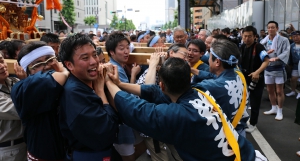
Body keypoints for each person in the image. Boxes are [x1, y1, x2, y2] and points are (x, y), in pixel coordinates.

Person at [105, 57, 267, 161]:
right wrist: (120, 84)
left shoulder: (179, 114)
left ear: (162, 84)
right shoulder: (200, 91)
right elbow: (154, 92)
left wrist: (109, 85)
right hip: (247, 154)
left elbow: (137, 110)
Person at [58, 34, 118, 160]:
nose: (94, 62)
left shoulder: (86, 83)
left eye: (94, 55)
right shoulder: (75, 93)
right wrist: (101, 91)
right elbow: (107, 131)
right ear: (69, 65)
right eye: (85, 58)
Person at [11, 41, 69, 160]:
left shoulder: (65, 81)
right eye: (37, 64)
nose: (46, 65)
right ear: (27, 71)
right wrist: (64, 72)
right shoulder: (21, 89)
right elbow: (47, 81)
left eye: (49, 59)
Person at [193, 39, 248, 137]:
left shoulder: (210, 86)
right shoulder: (237, 73)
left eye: (210, 56)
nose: (208, 59)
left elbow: (182, 93)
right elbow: (214, 76)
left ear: (217, 62)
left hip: (226, 139)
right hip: (239, 131)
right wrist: (194, 70)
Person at [105, 32, 146, 161]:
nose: (126, 51)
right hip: (121, 122)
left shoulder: (120, 67)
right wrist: (133, 75)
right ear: (112, 52)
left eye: (127, 47)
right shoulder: (114, 68)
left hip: (125, 119)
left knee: (142, 146)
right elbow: (126, 97)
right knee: (128, 157)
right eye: (121, 48)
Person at [240, 26, 270, 133]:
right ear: (242, 36)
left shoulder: (259, 47)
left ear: (255, 36)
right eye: (245, 36)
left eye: (250, 36)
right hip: (244, 77)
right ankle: (243, 120)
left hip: (256, 78)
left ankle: (253, 123)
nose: (247, 38)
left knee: (255, 101)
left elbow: (267, 61)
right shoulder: (242, 47)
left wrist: (257, 72)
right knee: (242, 101)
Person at [260, 21, 290, 121]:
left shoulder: (284, 39)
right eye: (269, 28)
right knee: (270, 90)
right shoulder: (263, 41)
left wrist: (276, 58)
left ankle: (280, 110)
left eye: (273, 27)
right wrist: (267, 53)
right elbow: (261, 53)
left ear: (277, 28)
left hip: (278, 68)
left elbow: (286, 51)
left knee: (279, 91)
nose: (270, 29)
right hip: (268, 68)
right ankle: (273, 107)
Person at [0, 52, 27, 161]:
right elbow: (21, 109)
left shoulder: (14, 81)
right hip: (9, 150)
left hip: (25, 144)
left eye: (1, 61)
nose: (2, 66)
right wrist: (26, 81)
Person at [286, 31, 300, 99]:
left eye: (297, 36)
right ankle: (293, 91)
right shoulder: (291, 45)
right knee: (293, 79)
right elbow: (290, 56)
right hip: (295, 64)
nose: (295, 38)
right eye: (294, 37)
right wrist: (289, 64)